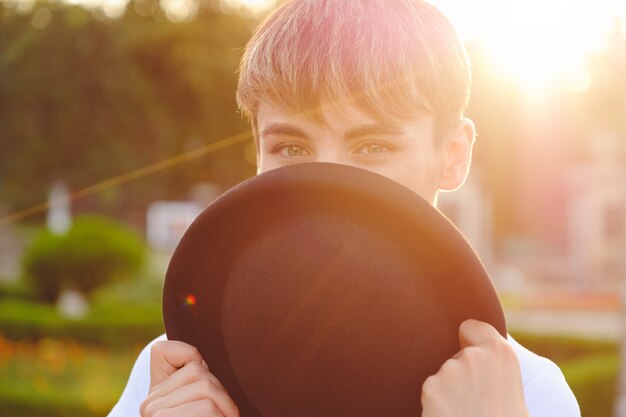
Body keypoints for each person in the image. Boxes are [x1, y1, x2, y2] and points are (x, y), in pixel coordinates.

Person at [108, 1, 581, 416]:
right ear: (256, 154)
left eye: (373, 146)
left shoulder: (524, 395)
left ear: (453, 156)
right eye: (291, 148)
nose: (324, 184)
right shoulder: (179, 376)